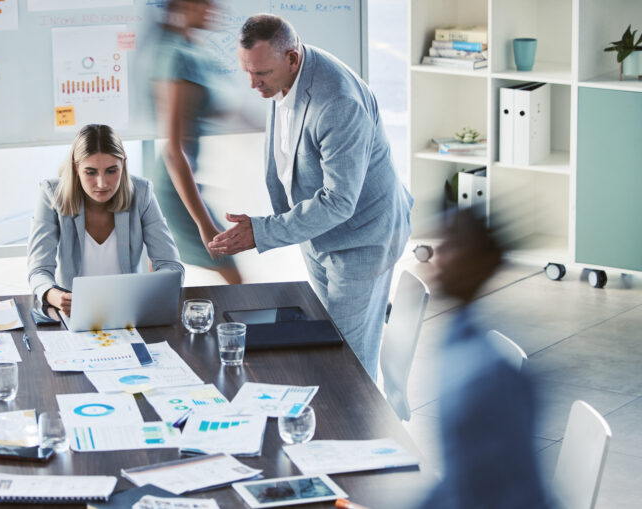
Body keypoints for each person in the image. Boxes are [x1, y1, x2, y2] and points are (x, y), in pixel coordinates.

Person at [208, 14, 412, 379]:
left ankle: (359, 428)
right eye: (247, 72)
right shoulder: (280, 74)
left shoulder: (337, 102)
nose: (253, 84)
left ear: (292, 58)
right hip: (322, 234)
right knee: (325, 337)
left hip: (362, 239)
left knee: (347, 360)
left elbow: (339, 200)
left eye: (262, 74)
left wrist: (262, 231)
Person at [420, 209, 549, 508]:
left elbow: (486, 496)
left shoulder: (488, 380)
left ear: (483, 263)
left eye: (452, 244)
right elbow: (457, 481)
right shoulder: (457, 340)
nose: (438, 253)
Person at [28, 124, 184, 317]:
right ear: (76, 168)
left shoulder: (142, 193)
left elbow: (171, 265)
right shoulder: (51, 193)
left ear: (124, 164)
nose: (102, 183)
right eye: (91, 172)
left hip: (129, 310)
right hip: (74, 312)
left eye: (111, 171)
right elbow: (39, 270)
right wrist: (55, 296)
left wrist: (148, 294)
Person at [143, 0, 242, 285]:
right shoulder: (178, 56)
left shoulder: (190, 51)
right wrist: (204, 223)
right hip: (174, 183)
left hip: (178, 179)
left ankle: (151, 325)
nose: (214, 8)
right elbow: (176, 150)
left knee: (160, 275)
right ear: (185, 5)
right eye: (205, 3)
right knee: (229, 266)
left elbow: (206, 108)